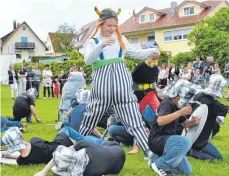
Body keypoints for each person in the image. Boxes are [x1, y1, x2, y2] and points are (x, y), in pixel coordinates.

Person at [79, 7, 160, 161]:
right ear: (100, 24)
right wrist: (101, 45)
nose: (112, 29)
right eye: (109, 25)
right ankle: (76, 147)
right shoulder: (92, 41)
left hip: (122, 86)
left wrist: (151, 51)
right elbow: (88, 59)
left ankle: (148, 152)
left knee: (134, 118)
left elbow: (135, 53)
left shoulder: (120, 40)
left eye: (114, 26)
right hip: (102, 88)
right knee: (90, 118)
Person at [148, 80, 199, 175]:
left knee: (187, 171)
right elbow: (160, 121)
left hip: (168, 141)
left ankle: (154, 160)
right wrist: (180, 112)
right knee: (185, 142)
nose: (185, 102)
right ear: (176, 96)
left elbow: (185, 124)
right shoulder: (167, 103)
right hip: (157, 140)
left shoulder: (176, 107)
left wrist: (192, 122)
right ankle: (160, 165)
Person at [188, 74, 227, 160]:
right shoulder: (214, 104)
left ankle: (192, 149)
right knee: (218, 158)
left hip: (188, 133)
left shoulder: (198, 95)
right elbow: (225, 109)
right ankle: (191, 152)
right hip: (200, 140)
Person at [34, 139, 126, 176]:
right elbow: (64, 152)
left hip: (115, 153)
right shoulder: (85, 143)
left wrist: (44, 171)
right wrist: (43, 171)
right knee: (97, 141)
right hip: (117, 150)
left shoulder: (88, 173)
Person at [132, 47, 160, 113]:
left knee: (158, 111)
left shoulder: (155, 68)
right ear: (147, 57)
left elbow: (155, 81)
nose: (154, 61)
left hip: (152, 93)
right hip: (141, 95)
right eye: (153, 59)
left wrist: (158, 91)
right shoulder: (140, 67)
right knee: (139, 113)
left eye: (156, 59)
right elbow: (132, 80)